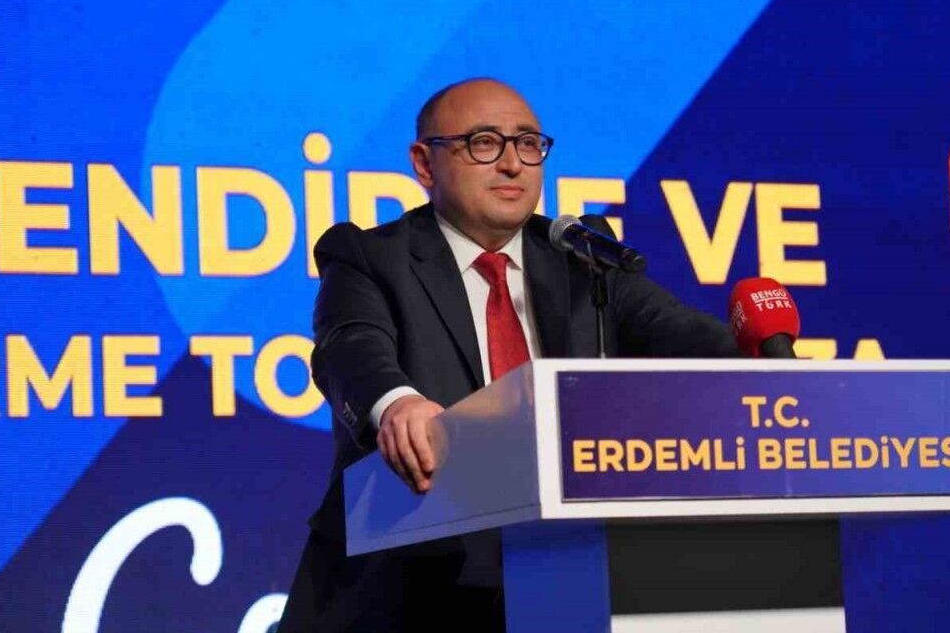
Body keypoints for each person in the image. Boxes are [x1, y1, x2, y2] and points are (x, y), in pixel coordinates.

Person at [277, 78, 741, 632]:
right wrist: (396, 404)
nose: (512, 164)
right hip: (405, 579)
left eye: (527, 143)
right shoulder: (370, 255)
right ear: (424, 164)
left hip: (568, 571)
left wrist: (768, 360)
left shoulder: (582, 256)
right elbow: (350, 347)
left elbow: (682, 334)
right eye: (483, 143)